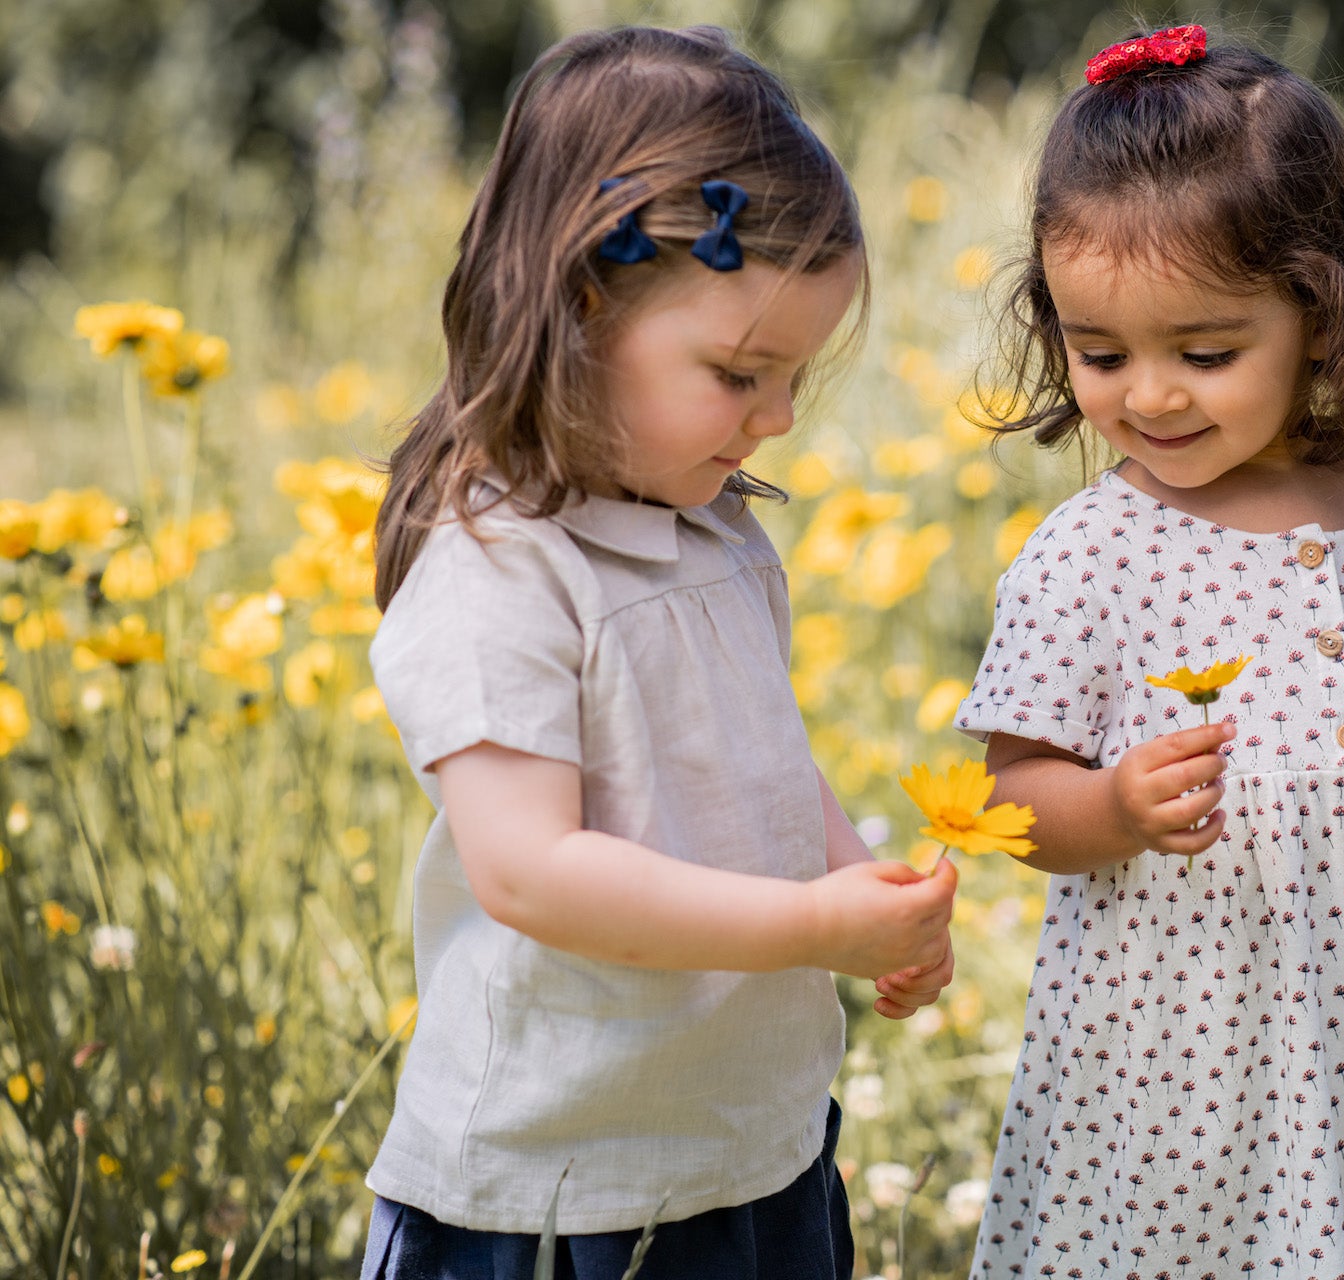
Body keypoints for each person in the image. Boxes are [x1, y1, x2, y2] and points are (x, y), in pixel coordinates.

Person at [954, 25, 1344, 1278]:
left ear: (1323, 316)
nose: (1151, 396)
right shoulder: (1088, 556)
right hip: (1175, 1071)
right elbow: (1010, 792)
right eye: (1101, 352)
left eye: (1207, 352)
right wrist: (1112, 804)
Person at [357, 25, 958, 1280]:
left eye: (794, 373)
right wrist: (808, 922)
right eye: (743, 372)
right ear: (580, 307)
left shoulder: (715, 533)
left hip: (746, 1146)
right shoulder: (503, 569)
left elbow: (762, 765)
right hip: (556, 1184)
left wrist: (865, 893)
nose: (781, 416)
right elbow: (533, 870)